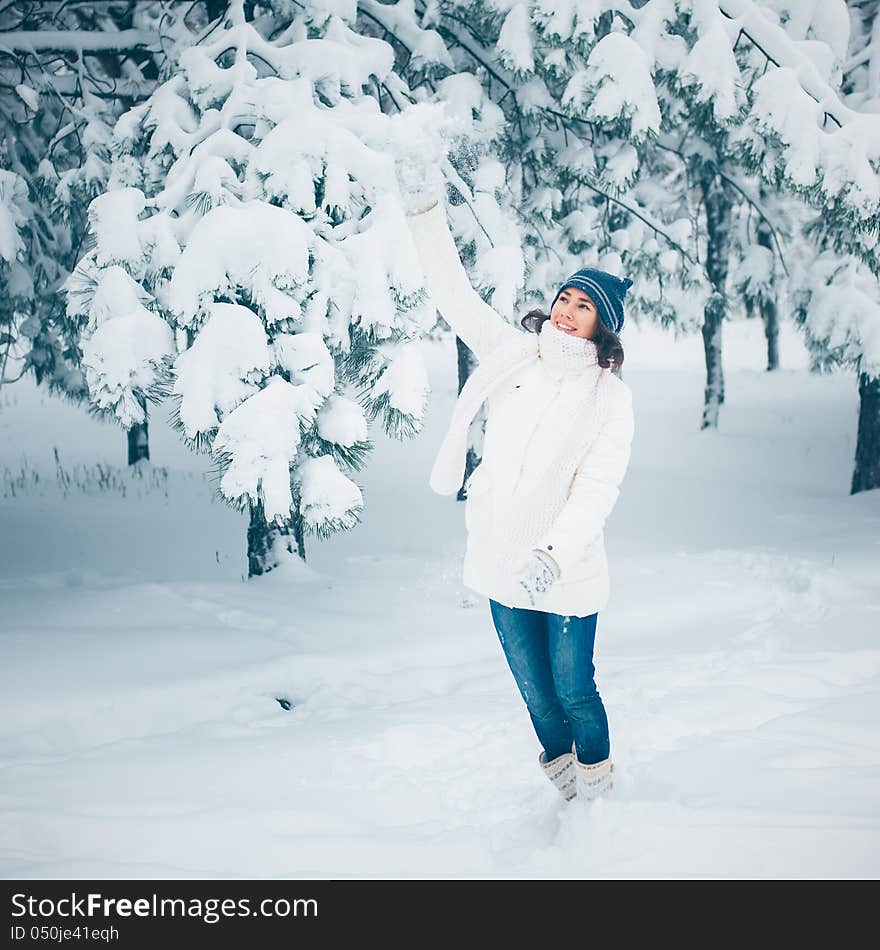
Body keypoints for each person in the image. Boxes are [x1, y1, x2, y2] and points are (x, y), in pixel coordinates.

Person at [397, 167, 635, 804]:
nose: (565, 311)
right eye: (564, 298)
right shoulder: (512, 354)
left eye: (583, 307)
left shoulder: (609, 399)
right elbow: (454, 295)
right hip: (502, 557)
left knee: (573, 687)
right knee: (534, 692)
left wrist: (552, 555)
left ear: (601, 328)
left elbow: (597, 490)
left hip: (567, 567)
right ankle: (570, 798)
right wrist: (423, 214)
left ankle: (601, 801)